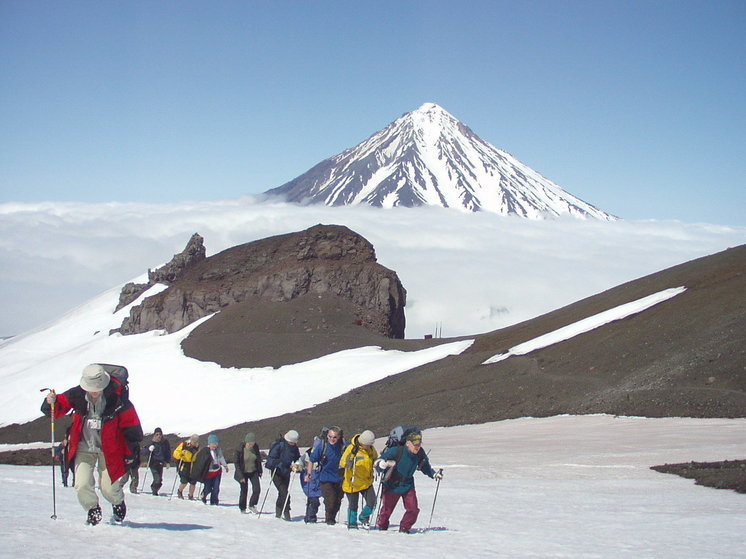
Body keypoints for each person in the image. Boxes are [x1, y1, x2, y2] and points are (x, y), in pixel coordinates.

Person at [40, 363, 143, 525]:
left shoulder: (118, 399)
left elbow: (132, 428)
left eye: (97, 389)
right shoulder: (77, 394)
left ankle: (117, 502)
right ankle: (92, 509)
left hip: (109, 449)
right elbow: (57, 407)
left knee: (108, 488)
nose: (93, 393)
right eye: (90, 389)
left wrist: (130, 453)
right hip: (83, 447)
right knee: (81, 484)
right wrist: (50, 402)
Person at [375, 431, 443, 534]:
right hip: (392, 484)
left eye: (419, 444)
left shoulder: (420, 453)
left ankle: (404, 529)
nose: (417, 447)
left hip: (408, 484)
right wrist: (381, 464)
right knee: (387, 510)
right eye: (415, 444)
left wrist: (433, 474)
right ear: (408, 443)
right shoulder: (396, 451)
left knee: (413, 509)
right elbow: (379, 461)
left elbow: (425, 466)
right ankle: (381, 527)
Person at [305, 426, 345, 525]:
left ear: (339, 437)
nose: (332, 439)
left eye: (334, 437)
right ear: (327, 436)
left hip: (340, 478)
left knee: (338, 500)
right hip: (325, 477)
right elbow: (311, 460)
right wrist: (309, 474)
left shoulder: (344, 447)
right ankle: (329, 520)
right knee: (330, 500)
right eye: (330, 436)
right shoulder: (323, 447)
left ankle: (332, 518)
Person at [339, 430, 378, 529]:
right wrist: (349, 463)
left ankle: (363, 517)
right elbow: (342, 463)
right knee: (353, 504)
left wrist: (379, 464)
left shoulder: (371, 449)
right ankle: (352, 523)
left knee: (372, 502)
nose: (369, 446)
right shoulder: (352, 449)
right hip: (352, 482)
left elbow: (375, 459)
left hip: (366, 481)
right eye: (368, 444)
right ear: (362, 442)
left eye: (370, 444)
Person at [264, 430, 301, 520]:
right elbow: (271, 460)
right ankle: (286, 512)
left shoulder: (294, 447)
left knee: (282, 493)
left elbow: (297, 458)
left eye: (294, 442)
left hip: (286, 473)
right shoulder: (279, 445)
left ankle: (278, 512)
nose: (293, 444)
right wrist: (280, 464)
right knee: (285, 493)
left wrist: (297, 464)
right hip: (276, 473)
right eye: (291, 442)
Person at [190, 434, 228, 505]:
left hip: (217, 472)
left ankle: (214, 502)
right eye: (213, 444)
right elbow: (201, 462)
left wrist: (225, 466)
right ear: (209, 443)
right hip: (208, 473)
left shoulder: (218, 449)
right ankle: (204, 494)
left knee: (216, 488)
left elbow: (221, 457)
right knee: (208, 488)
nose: (215, 445)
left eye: (216, 444)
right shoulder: (205, 451)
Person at [233, 432, 263, 514]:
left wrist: (260, 471)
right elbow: (236, 463)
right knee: (244, 490)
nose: (251, 445)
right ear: (246, 442)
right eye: (249, 444)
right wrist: (240, 476)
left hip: (253, 471)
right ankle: (242, 508)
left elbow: (258, 460)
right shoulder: (239, 449)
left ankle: (252, 505)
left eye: (252, 443)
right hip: (243, 472)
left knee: (257, 489)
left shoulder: (255, 447)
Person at [298, 441, 322, 523]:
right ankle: (311, 517)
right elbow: (300, 462)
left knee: (312, 499)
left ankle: (308, 516)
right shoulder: (307, 454)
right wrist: (297, 466)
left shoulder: (323, 456)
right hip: (309, 480)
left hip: (318, 479)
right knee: (314, 500)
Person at [144, 427, 171, 495]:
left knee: (160, 480)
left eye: (160, 434)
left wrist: (167, 462)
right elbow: (144, 451)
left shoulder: (165, 442)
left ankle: (154, 489)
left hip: (161, 463)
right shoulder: (152, 443)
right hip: (153, 463)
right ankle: (154, 491)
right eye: (157, 434)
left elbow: (167, 452)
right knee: (157, 479)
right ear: (154, 435)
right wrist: (149, 449)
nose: (158, 436)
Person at [173, 434, 200, 500]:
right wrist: (180, 454)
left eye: (196, 442)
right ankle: (179, 491)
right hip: (184, 465)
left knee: (193, 482)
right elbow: (175, 453)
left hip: (193, 466)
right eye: (194, 442)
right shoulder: (184, 444)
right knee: (184, 481)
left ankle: (191, 495)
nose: (195, 443)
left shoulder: (197, 448)